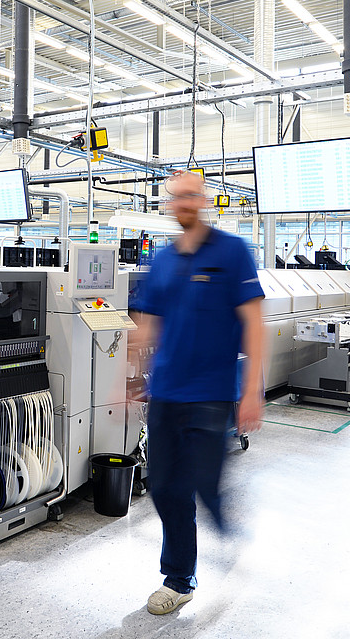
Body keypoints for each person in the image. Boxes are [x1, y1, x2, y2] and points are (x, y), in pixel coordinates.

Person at [132, 170, 265, 616]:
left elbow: (253, 323)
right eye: (178, 197)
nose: (185, 203)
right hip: (166, 392)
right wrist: (128, 376)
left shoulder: (232, 251)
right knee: (164, 488)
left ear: (204, 200)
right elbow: (149, 321)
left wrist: (253, 390)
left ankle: (223, 524)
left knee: (202, 484)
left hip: (211, 392)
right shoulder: (164, 259)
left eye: (192, 196)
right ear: (171, 203)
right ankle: (180, 578)